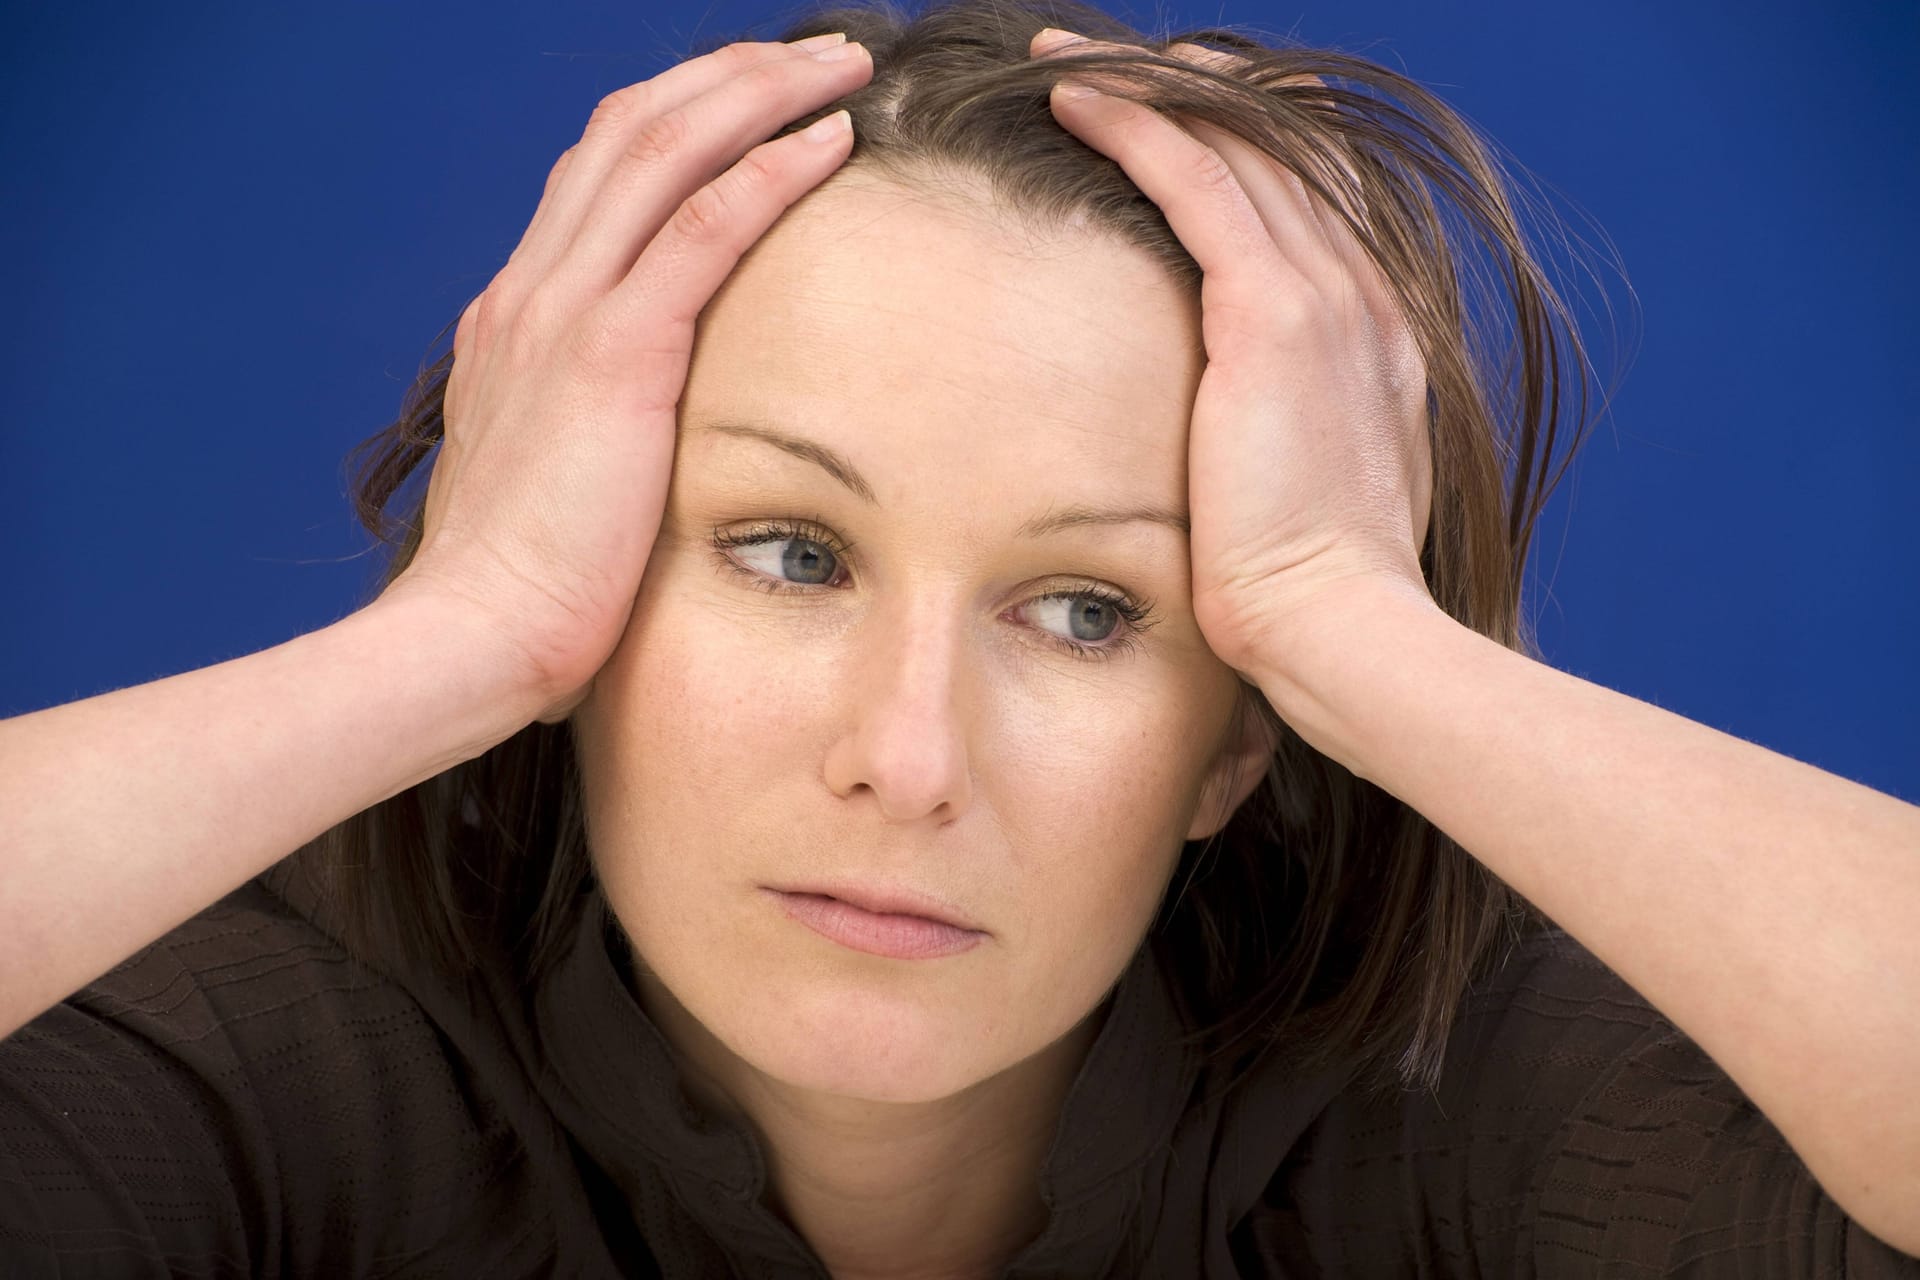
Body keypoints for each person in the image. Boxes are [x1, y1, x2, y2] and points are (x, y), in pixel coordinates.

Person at [2, 0, 1916, 1274]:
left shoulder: (1466, 1116)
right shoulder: (264, 1081)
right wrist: (469, 630)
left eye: (1091, 610)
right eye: (785, 551)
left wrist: (1357, 628)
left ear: (1234, 738)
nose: (906, 759)